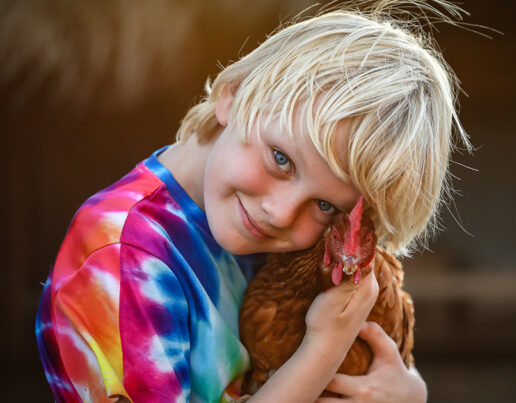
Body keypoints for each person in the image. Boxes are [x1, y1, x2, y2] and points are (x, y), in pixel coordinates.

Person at [35, 1, 472, 402]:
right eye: (281, 159)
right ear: (234, 94)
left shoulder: (273, 239)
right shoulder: (123, 256)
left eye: (325, 205)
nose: (280, 212)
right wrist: (323, 349)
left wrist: (409, 394)